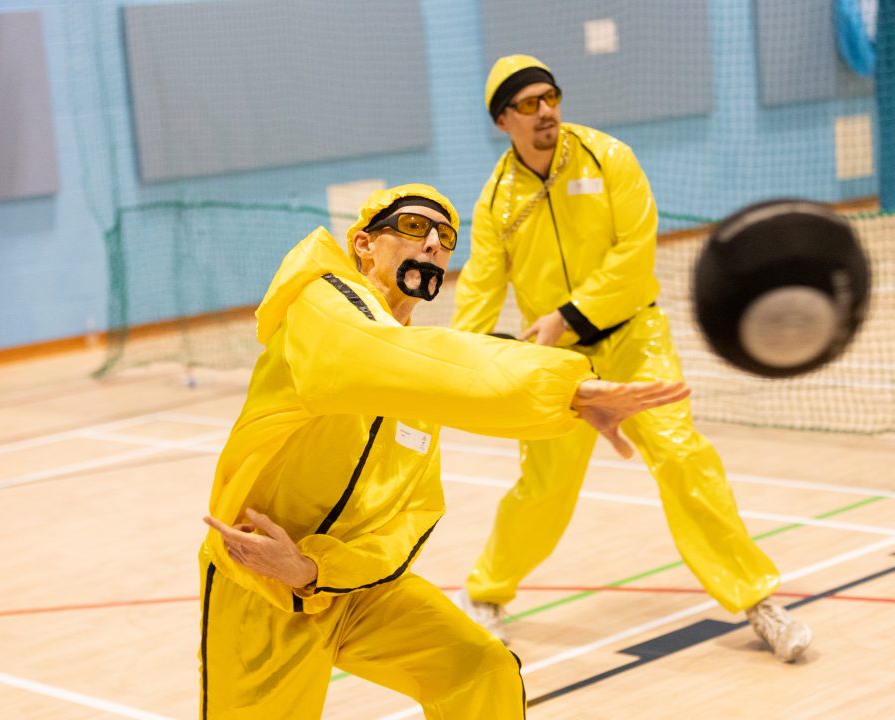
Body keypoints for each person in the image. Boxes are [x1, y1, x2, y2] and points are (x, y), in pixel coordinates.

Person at [198, 183, 691, 719]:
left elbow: (412, 513)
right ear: (363, 243)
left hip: (350, 585)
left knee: (481, 672)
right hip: (261, 576)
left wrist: (318, 571)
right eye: (412, 227)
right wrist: (563, 388)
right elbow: (378, 357)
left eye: (445, 237)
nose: (433, 243)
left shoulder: (417, 378)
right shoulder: (320, 303)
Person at [450, 55, 813, 663]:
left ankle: (759, 600)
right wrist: (454, 367)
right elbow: (478, 295)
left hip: (633, 337)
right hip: (557, 362)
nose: (546, 112)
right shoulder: (494, 204)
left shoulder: (607, 158)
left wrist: (566, 314)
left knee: (681, 457)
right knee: (543, 490)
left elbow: (635, 256)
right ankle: (485, 593)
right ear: (502, 121)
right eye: (529, 104)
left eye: (551, 97)